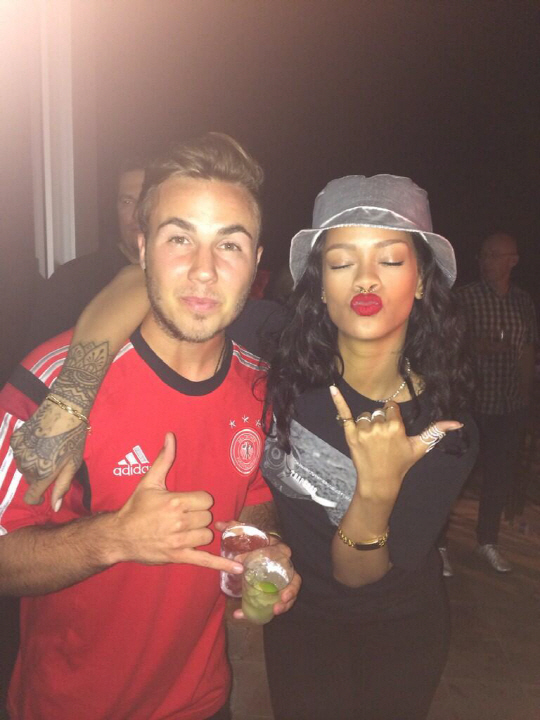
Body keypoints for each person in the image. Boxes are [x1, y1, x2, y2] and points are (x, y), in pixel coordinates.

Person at [13, 173, 477, 720]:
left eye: (391, 260)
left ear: (422, 279)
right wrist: (74, 391)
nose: (366, 279)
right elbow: (150, 281)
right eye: (341, 262)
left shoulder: (442, 429)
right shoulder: (278, 350)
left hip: (393, 630)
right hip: (297, 621)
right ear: (320, 282)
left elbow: (359, 577)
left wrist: (376, 491)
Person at [0, 133, 300, 720]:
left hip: (202, 702)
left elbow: (252, 495)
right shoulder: (54, 382)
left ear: (256, 263)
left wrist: (262, 553)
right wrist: (115, 538)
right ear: (142, 248)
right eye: (179, 238)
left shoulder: (259, 384)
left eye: (230, 245)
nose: (204, 271)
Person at [454, 232, 538, 573]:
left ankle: (487, 541)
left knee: (498, 478)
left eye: (494, 255)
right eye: (483, 255)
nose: (485, 261)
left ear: (512, 261)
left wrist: (525, 397)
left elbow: (527, 348)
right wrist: (475, 347)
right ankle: (438, 544)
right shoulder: (465, 298)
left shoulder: (522, 302)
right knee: (455, 475)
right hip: (471, 403)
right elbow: (447, 345)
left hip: (508, 405)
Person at [24, 157, 146, 350]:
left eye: (147, 200)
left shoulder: (179, 279)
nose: (137, 213)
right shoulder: (73, 281)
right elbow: (42, 359)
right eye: (127, 201)